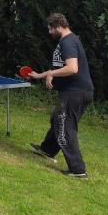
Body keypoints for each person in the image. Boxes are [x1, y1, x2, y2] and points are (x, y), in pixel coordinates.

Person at [28, 12, 94, 178]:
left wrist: (51, 73)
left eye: (50, 29)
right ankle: (48, 149)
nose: (49, 32)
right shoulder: (68, 40)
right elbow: (60, 69)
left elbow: (72, 68)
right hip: (74, 92)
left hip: (76, 93)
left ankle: (78, 170)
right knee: (57, 119)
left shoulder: (68, 42)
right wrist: (40, 75)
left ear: (58, 26)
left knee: (65, 126)